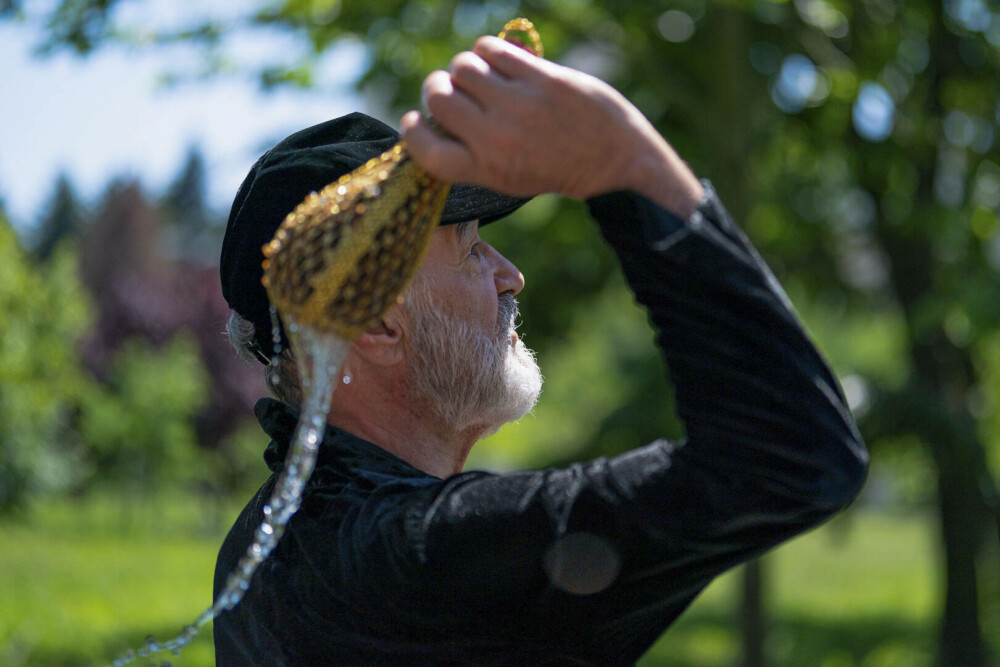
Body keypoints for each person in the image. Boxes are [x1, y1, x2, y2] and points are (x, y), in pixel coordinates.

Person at [215, 35, 868, 666]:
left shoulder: (277, 537)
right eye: (471, 248)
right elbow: (793, 457)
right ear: (378, 321)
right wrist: (628, 167)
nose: (511, 275)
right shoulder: (411, 558)